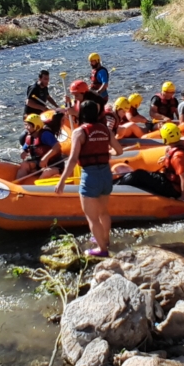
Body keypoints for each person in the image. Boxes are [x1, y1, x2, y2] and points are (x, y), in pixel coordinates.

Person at [55, 101, 123, 257]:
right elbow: (119, 151)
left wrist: (62, 180)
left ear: (81, 114)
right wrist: (105, 154)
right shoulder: (105, 129)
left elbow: (72, 160)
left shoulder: (79, 132)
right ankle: (105, 241)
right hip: (106, 174)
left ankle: (102, 250)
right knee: (104, 212)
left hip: (90, 175)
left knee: (92, 218)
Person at [116, 122, 184, 201]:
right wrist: (166, 157)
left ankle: (114, 187)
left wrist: (183, 197)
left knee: (138, 175)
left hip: (173, 188)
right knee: (142, 174)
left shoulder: (178, 157)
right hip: (170, 180)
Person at [17, 113, 62, 182]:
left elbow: (57, 146)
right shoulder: (29, 137)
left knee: (47, 172)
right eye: (25, 125)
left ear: (36, 126)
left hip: (55, 165)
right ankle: (17, 183)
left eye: (28, 125)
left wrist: (45, 158)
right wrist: (23, 153)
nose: (26, 128)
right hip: (39, 165)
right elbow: (25, 149)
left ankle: (36, 189)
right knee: (24, 165)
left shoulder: (45, 135)